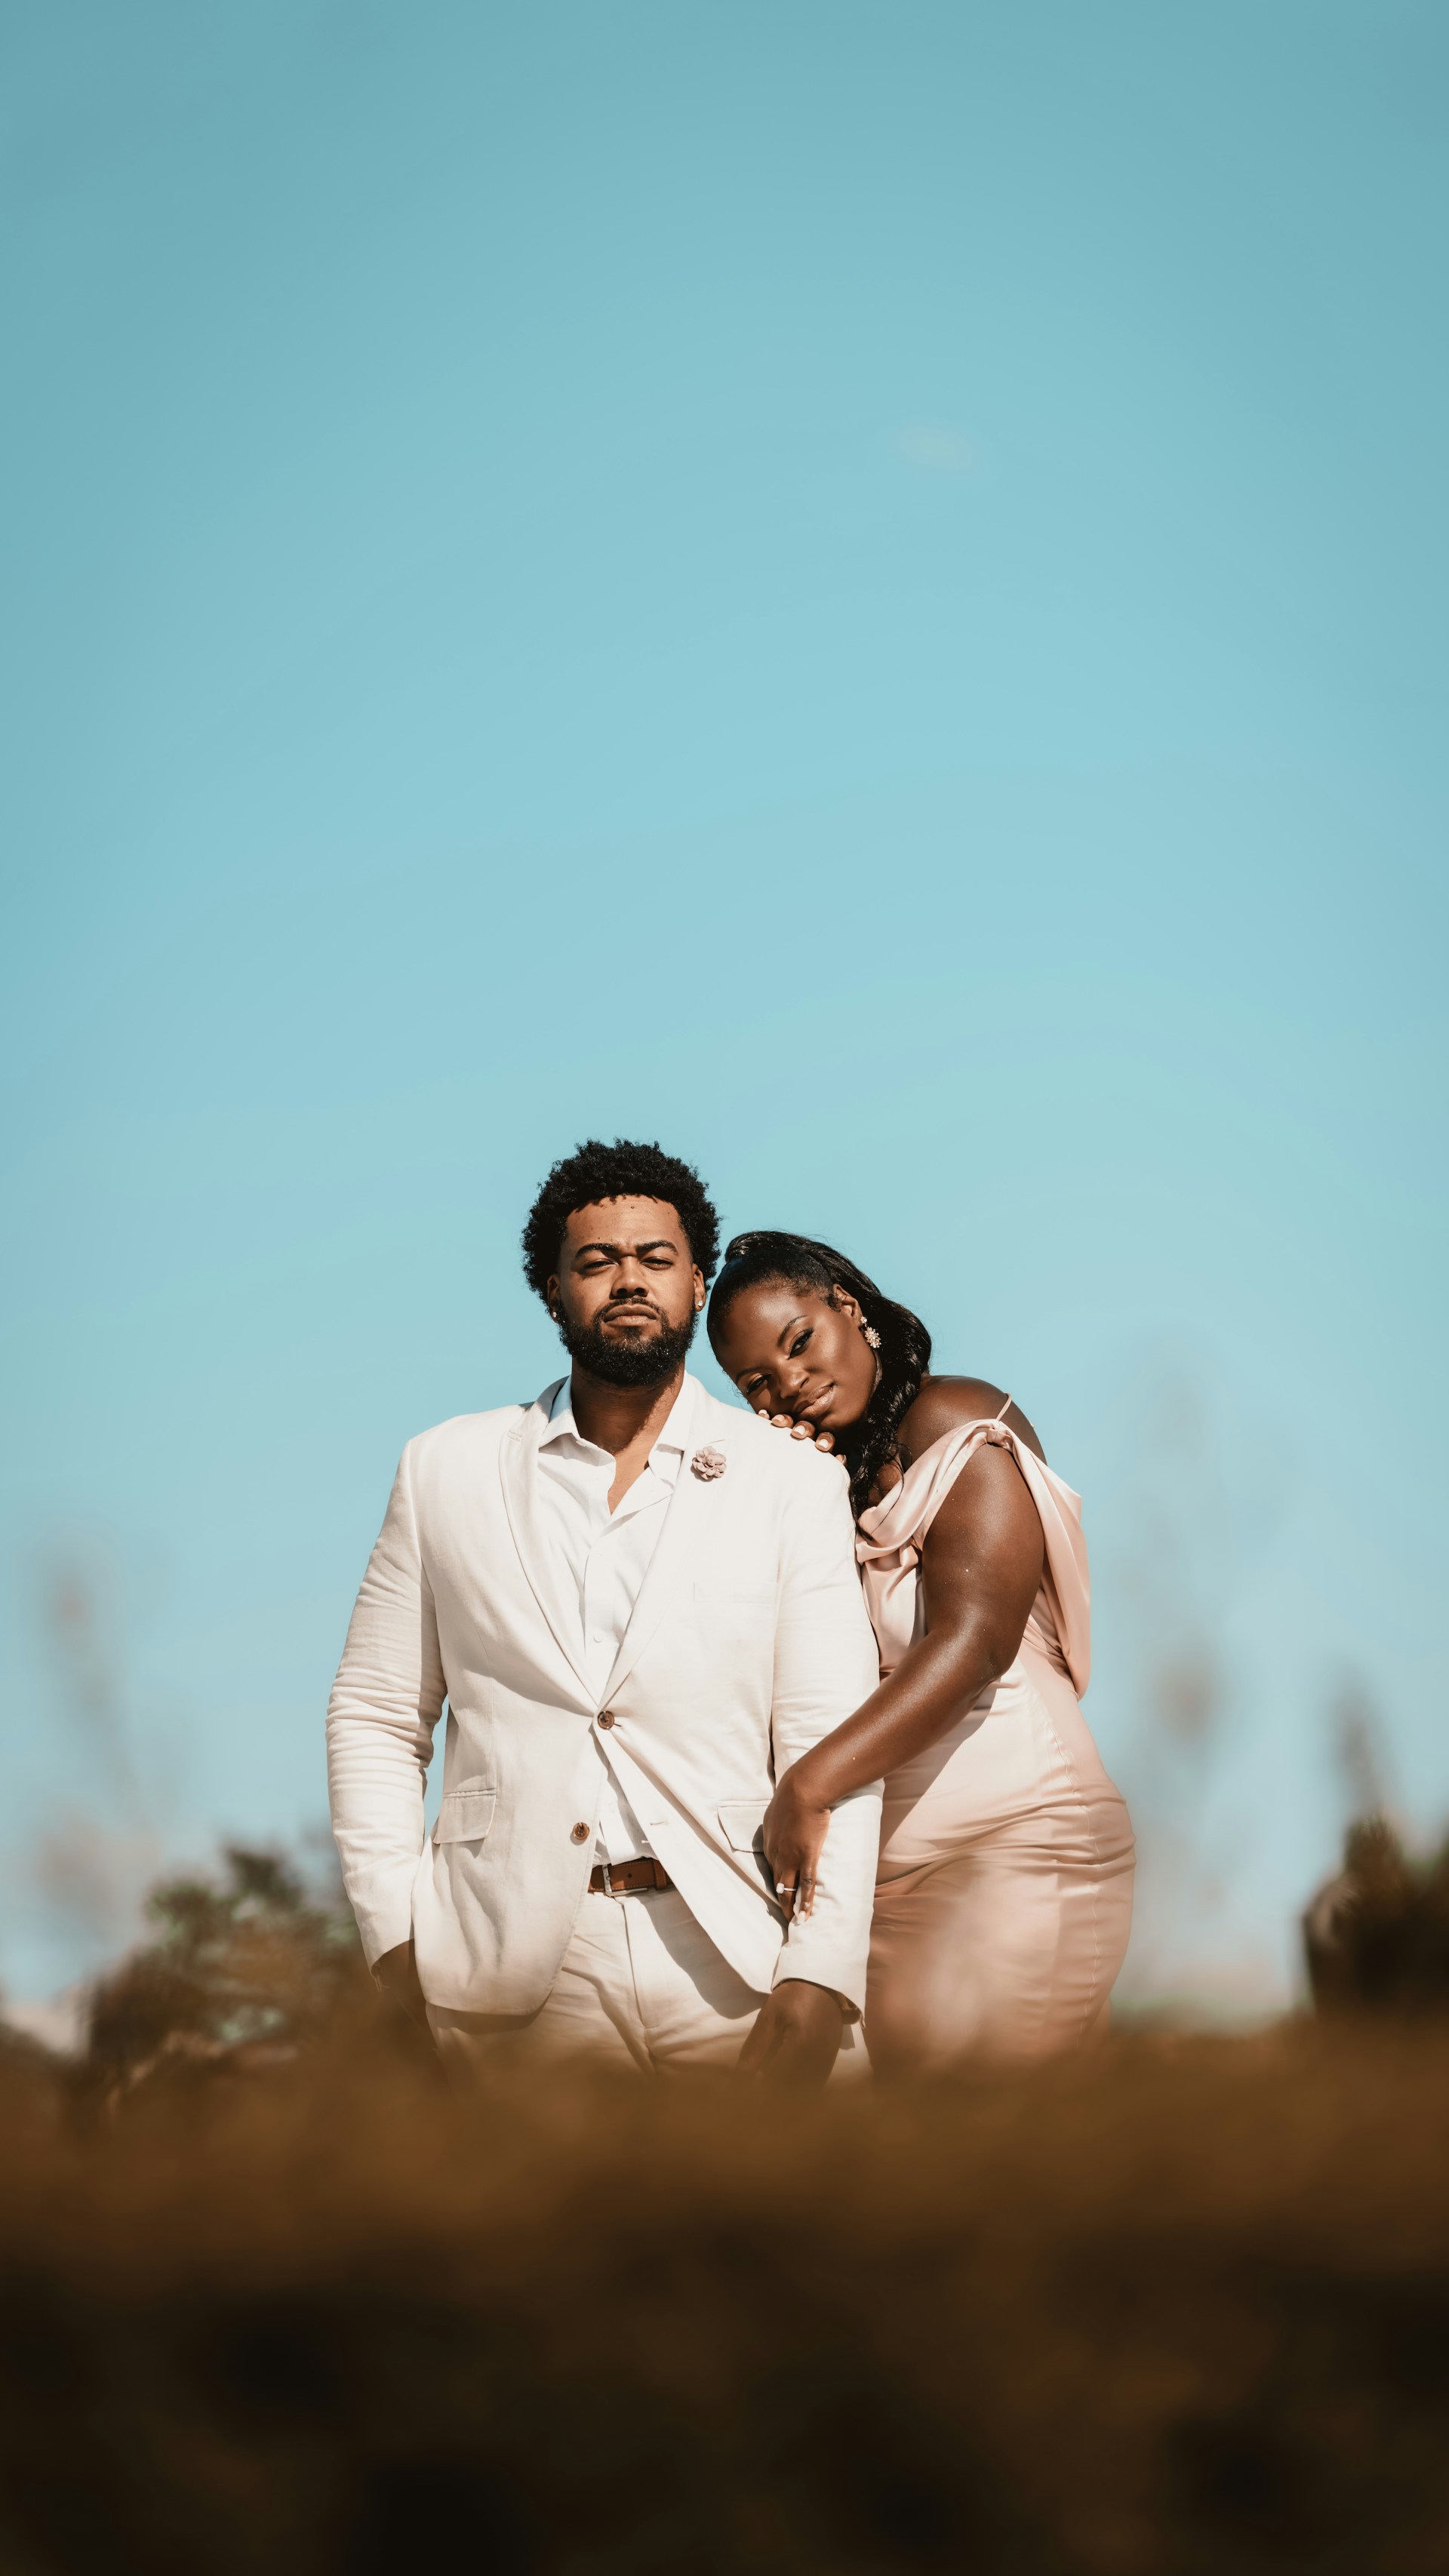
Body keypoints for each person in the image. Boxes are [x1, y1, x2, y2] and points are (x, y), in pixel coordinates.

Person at [327, 1145, 881, 2083]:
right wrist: (395, 1942)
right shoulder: (444, 1468)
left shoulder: (790, 1480)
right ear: (553, 1291)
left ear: (697, 1283)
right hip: (503, 1973)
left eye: (657, 1258)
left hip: (743, 1950)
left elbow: (833, 1735)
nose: (630, 1280)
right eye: (597, 1261)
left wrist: (822, 1969)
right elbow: (376, 1716)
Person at [708, 1231, 1134, 2072]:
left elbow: (974, 1644)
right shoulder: (826, 1487)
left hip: (1012, 1854)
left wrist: (810, 1785)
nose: (790, 1383)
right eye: (757, 1383)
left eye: (799, 1342)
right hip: (882, 1890)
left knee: (988, 2135)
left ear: (850, 1309)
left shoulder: (954, 1416)